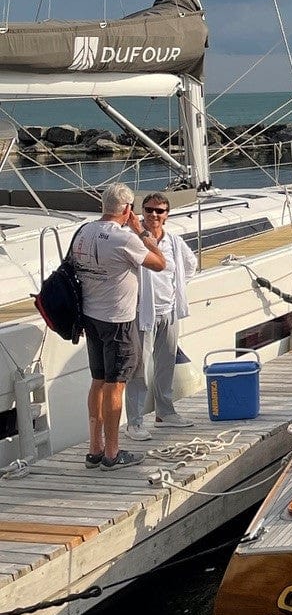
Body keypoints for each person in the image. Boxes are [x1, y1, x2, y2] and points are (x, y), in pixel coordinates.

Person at [72, 183, 165, 470]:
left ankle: (95, 448)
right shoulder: (124, 238)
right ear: (127, 209)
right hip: (118, 320)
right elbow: (159, 263)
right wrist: (140, 231)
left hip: (90, 316)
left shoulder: (82, 232)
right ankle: (112, 453)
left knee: (98, 380)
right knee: (116, 384)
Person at [125, 193, 198, 440]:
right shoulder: (132, 238)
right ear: (141, 212)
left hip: (169, 310)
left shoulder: (174, 241)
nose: (154, 215)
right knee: (138, 369)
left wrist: (179, 288)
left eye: (160, 211)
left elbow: (190, 264)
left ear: (167, 214)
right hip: (141, 312)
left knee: (165, 363)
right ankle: (134, 422)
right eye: (149, 210)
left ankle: (165, 413)